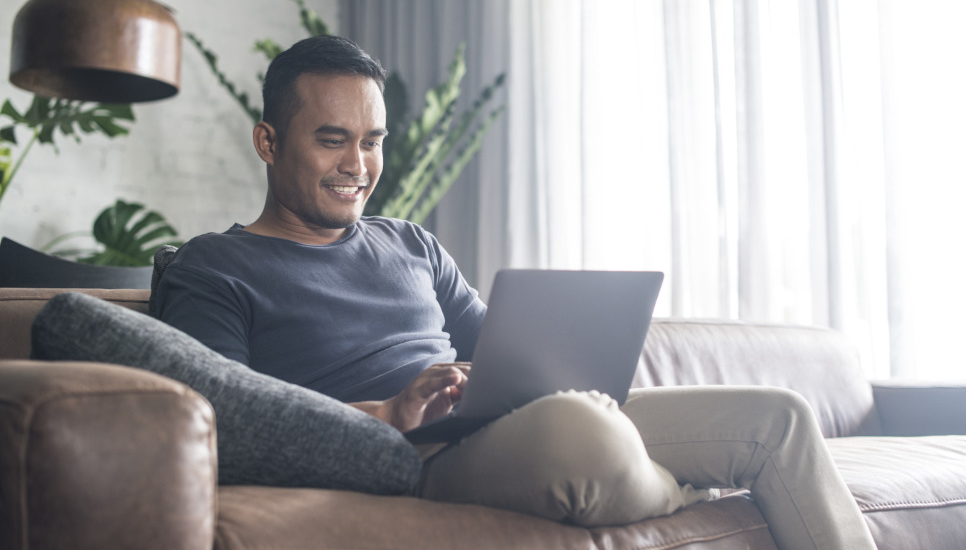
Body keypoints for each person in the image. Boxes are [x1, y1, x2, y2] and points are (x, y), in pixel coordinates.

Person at [154, 35, 877, 550]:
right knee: (584, 432)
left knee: (776, 417)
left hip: (514, 426)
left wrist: (541, 370)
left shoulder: (410, 243)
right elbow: (224, 422)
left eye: (373, 140)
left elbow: (512, 354)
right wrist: (386, 412)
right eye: (333, 139)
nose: (358, 164)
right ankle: (685, 485)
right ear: (269, 141)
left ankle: (652, 468)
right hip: (415, 458)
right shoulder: (213, 267)